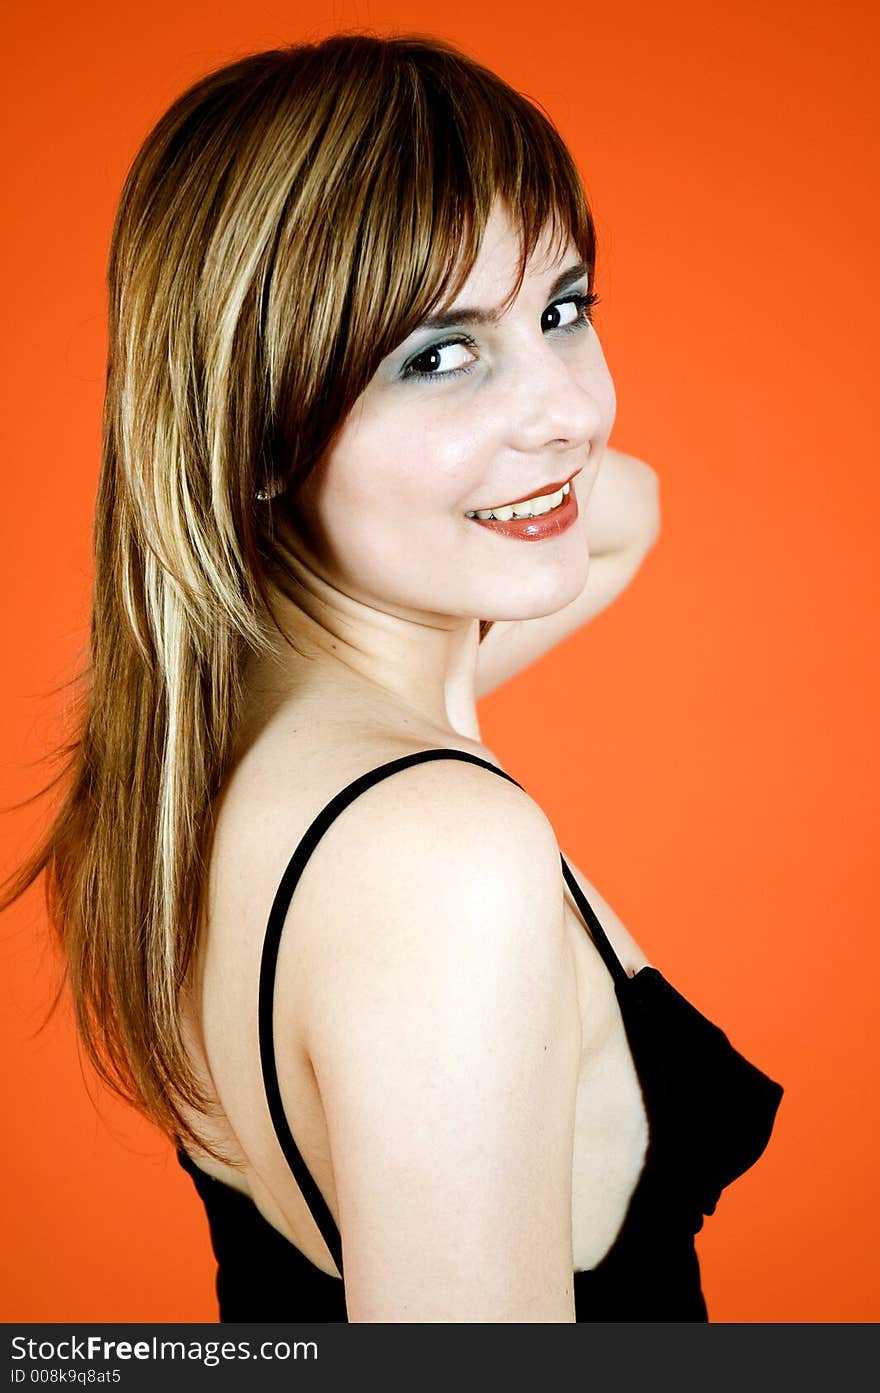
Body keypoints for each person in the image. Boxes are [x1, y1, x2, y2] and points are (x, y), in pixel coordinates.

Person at [1, 31, 783, 1323]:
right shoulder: (440, 857)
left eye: (563, 310)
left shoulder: (193, 750)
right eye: (438, 353)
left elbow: (624, 505)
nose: (569, 412)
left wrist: (484, 458)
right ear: (251, 432)